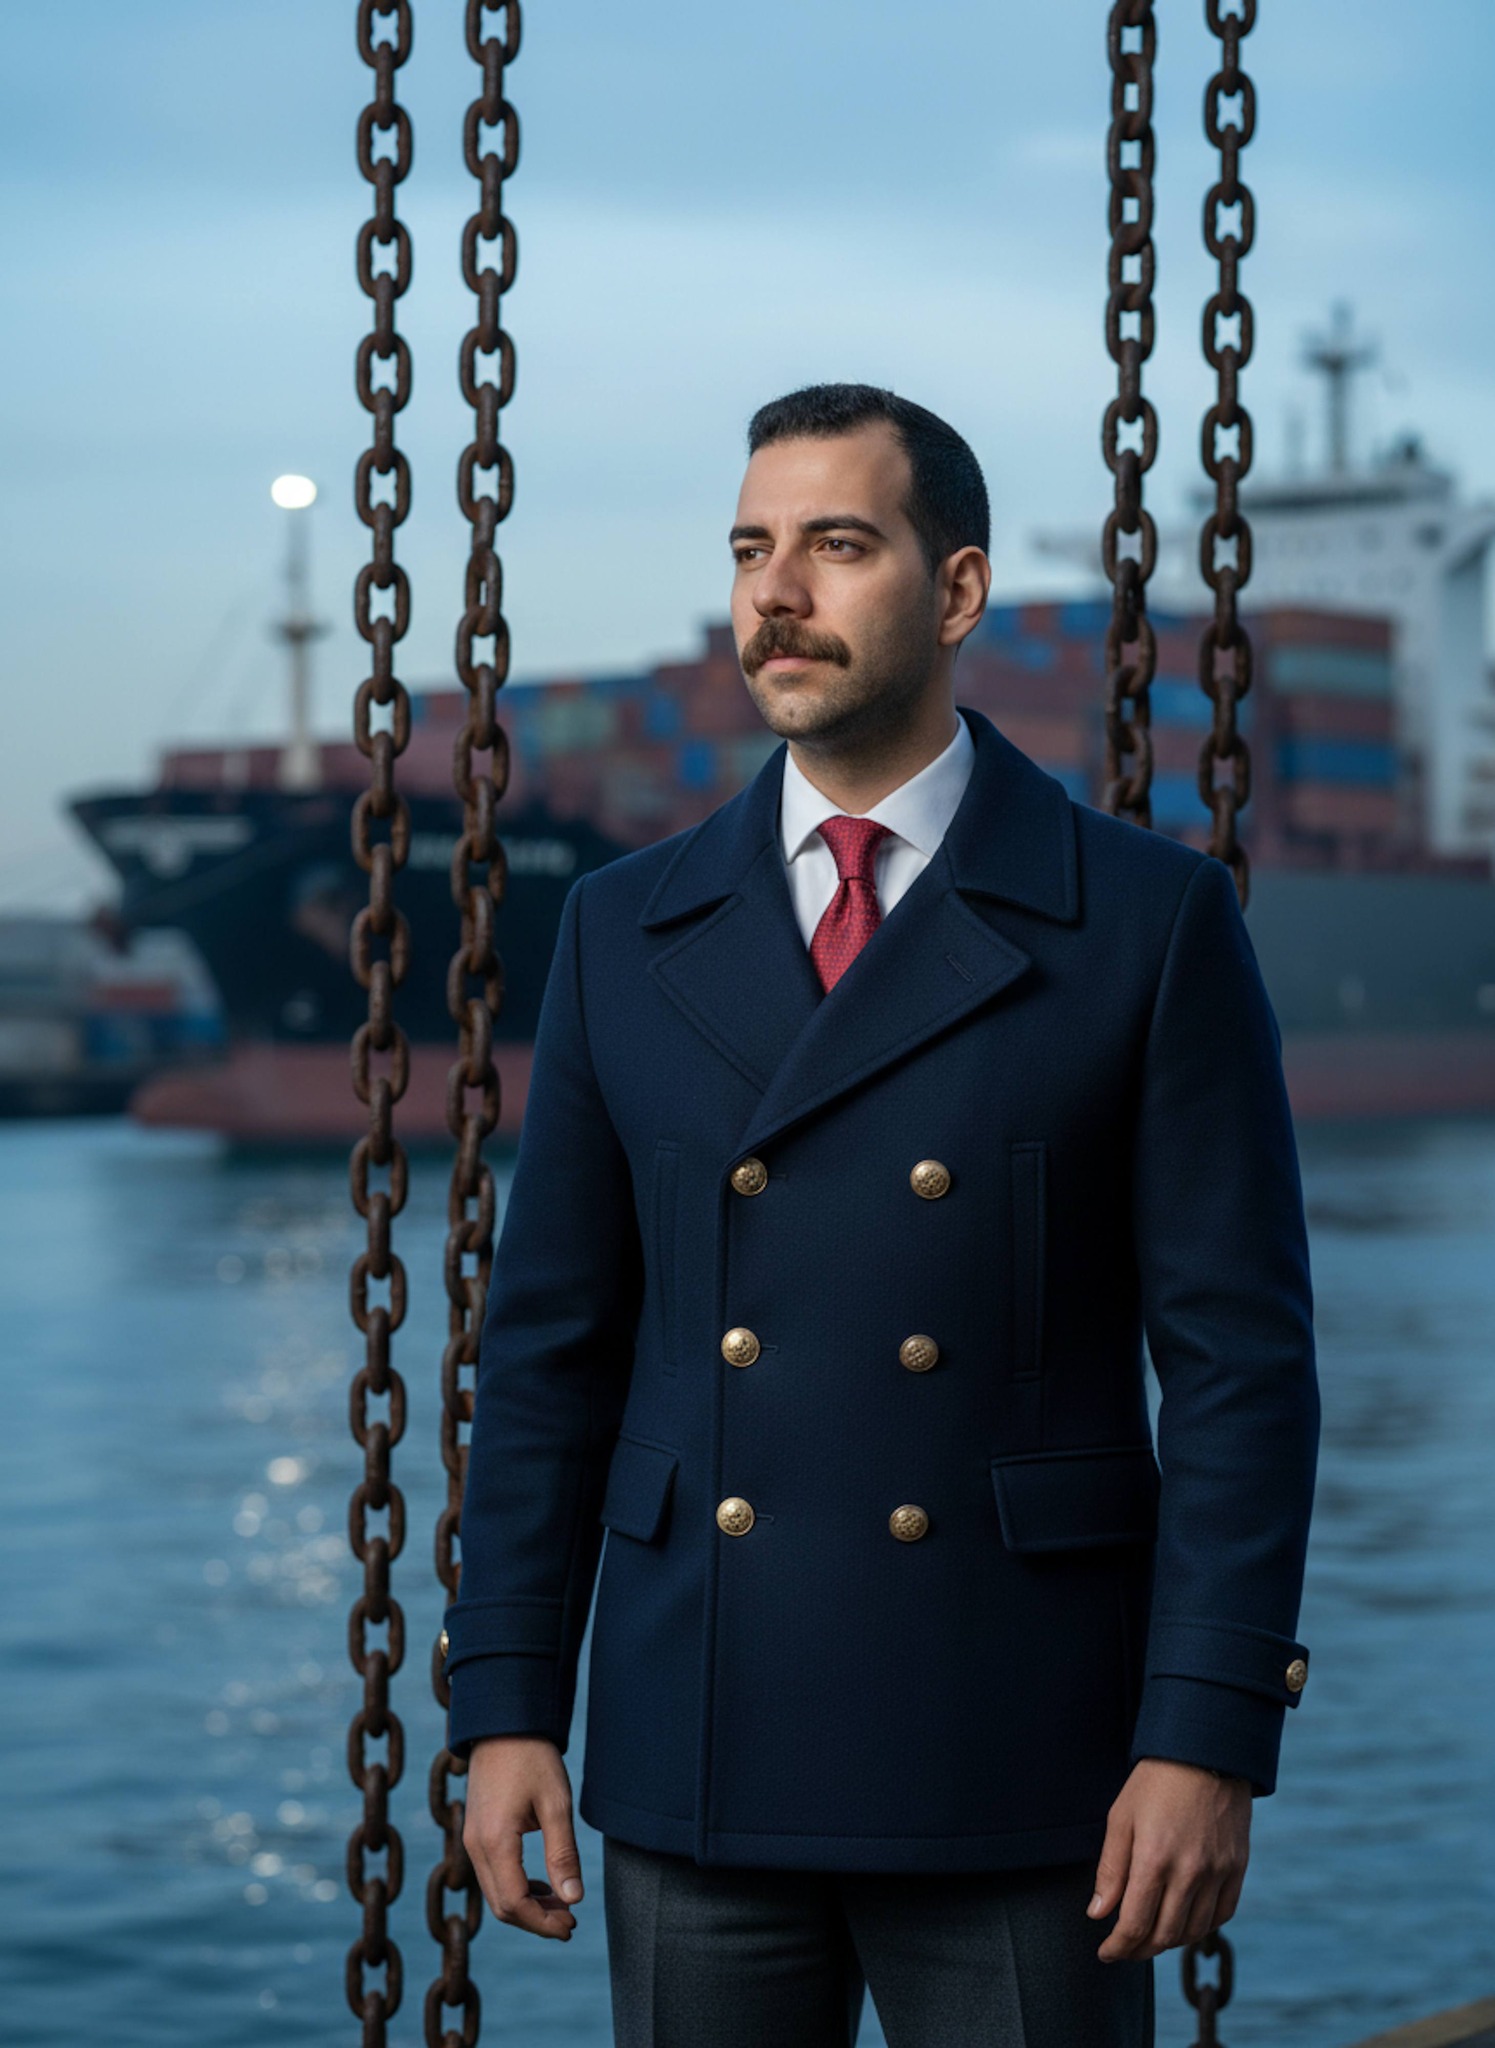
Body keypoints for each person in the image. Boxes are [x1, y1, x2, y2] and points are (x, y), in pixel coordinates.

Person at [441, 383, 1320, 2046]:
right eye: (753, 549)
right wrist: (504, 1706)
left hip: (1023, 1762)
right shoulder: (623, 932)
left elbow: (1239, 1371)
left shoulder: (1145, 925)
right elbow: (550, 1354)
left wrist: (1203, 1734)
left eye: (839, 545)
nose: (778, 592)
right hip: (700, 1735)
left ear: (960, 590)